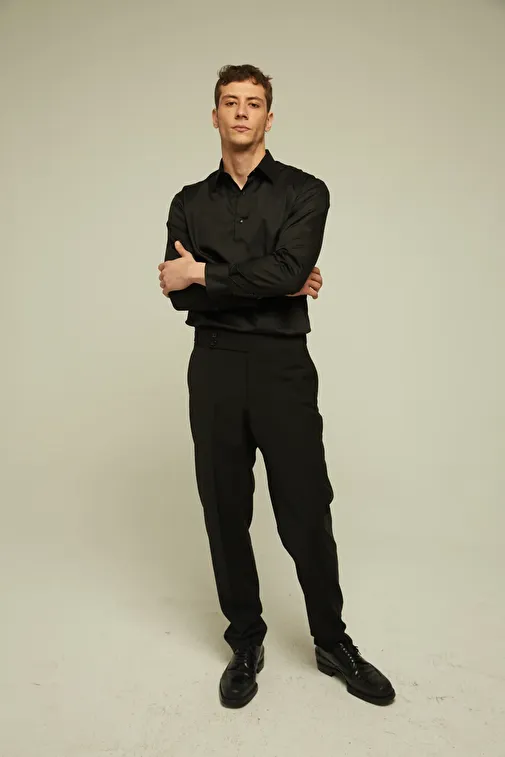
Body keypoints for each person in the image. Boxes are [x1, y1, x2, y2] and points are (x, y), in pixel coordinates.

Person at [158, 64, 395, 709]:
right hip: (213, 366)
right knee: (224, 508)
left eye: (253, 103)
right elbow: (181, 294)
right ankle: (245, 642)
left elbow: (276, 273)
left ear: (269, 117)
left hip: (282, 367)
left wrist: (206, 274)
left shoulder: (304, 192)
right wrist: (273, 281)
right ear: (214, 116)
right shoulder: (188, 202)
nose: (241, 112)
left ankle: (332, 642)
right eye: (230, 102)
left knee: (306, 506)